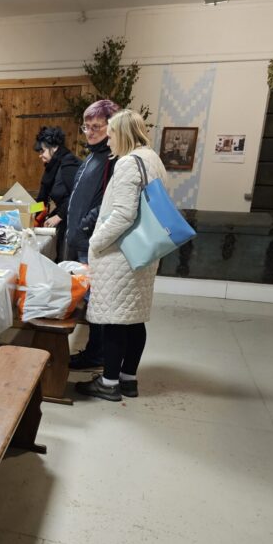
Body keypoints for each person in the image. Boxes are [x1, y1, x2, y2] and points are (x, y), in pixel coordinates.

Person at [75, 110, 162, 403]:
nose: (108, 140)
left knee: (115, 319)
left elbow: (123, 214)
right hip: (144, 250)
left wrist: (96, 241)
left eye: (110, 134)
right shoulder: (152, 159)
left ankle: (109, 382)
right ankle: (128, 379)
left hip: (121, 254)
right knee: (134, 319)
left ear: (122, 134)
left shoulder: (127, 163)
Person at [65, 99, 120, 370]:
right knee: (91, 301)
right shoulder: (94, 156)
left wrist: (85, 226)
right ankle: (93, 352)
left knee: (97, 303)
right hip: (81, 240)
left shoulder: (112, 159)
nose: (90, 132)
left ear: (112, 127)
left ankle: (96, 355)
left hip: (92, 242)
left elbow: (108, 202)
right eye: (86, 126)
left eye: (96, 126)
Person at [33, 125, 81, 261]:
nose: (40, 155)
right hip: (63, 217)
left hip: (71, 222)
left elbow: (77, 195)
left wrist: (58, 216)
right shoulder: (52, 166)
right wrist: (32, 214)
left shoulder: (68, 163)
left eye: (42, 151)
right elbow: (42, 197)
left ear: (54, 147)